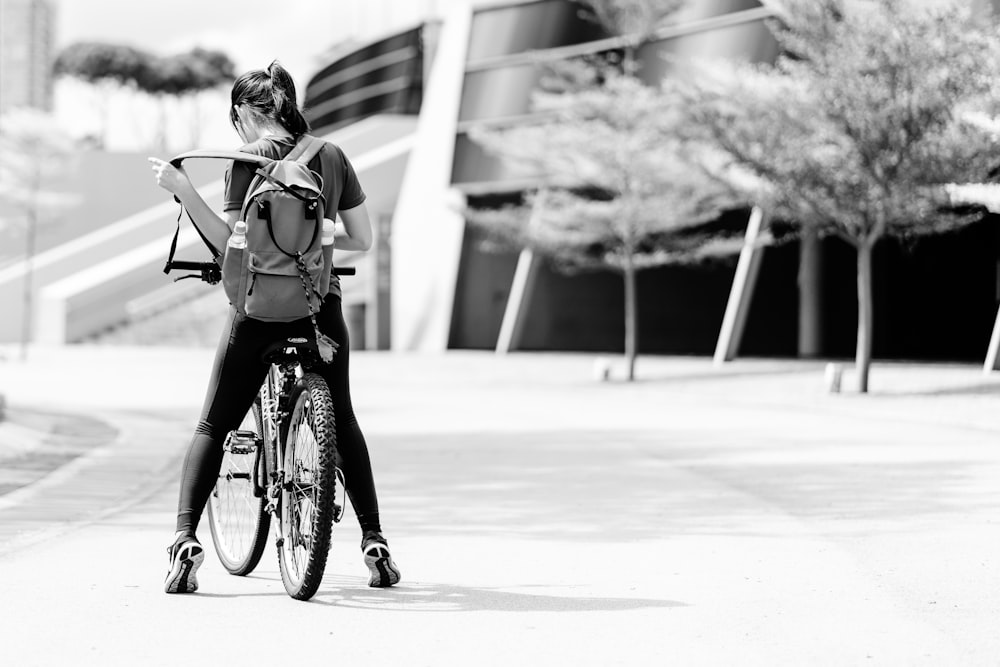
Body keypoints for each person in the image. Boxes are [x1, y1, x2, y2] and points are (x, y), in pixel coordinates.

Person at [148, 61, 400, 594]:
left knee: (212, 425)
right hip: (318, 312)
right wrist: (318, 241)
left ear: (242, 112)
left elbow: (227, 241)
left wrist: (182, 189)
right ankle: (375, 541)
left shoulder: (244, 161)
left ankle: (184, 542)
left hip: (257, 311)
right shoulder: (331, 157)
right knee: (344, 419)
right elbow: (363, 240)